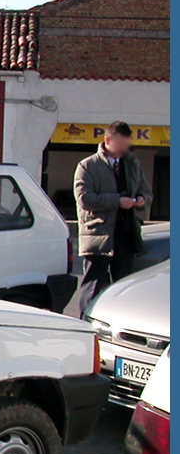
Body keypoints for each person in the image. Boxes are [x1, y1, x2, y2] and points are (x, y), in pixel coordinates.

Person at [74, 121, 153, 314]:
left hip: (125, 234)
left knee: (122, 287)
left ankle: (116, 328)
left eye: (126, 145)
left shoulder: (132, 164)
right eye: (119, 145)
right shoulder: (88, 166)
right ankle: (86, 322)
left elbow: (147, 191)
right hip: (99, 235)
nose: (123, 150)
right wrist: (117, 201)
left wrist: (142, 200)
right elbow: (84, 198)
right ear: (107, 140)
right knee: (92, 286)